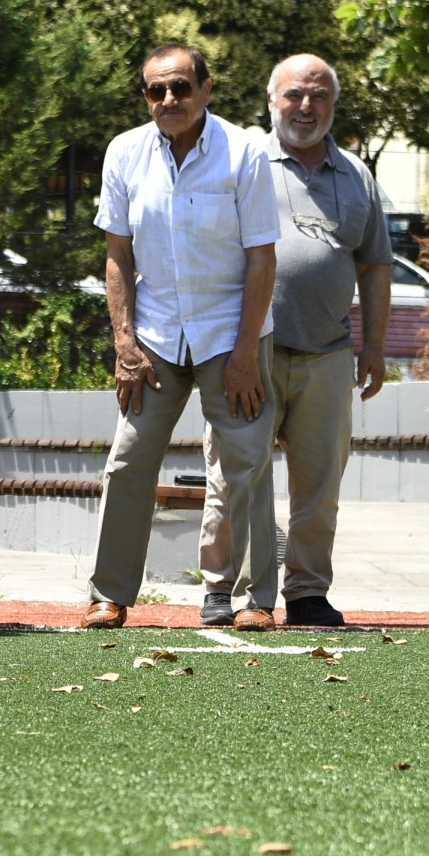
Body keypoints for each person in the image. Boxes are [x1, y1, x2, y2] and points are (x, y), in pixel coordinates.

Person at [84, 42, 280, 631]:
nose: (168, 99)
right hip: (154, 337)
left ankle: (250, 600)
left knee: (246, 462)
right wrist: (124, 343)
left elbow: (262, 259)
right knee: (127, 461)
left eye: (180, 88)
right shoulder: (124, 153)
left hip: (231, 333)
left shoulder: (245, 151)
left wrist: (246, 354)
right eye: (155, 90)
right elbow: (118, 255)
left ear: (206, 89)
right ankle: (110, 594)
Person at [220, 52, 395, 629]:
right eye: (294, 94)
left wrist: (374, 347)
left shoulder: (357, 176)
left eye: (319, 95)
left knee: (319, 487)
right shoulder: (243, 163)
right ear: (271, 101)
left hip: (328, 354)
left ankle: (307, 592)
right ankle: (241, 595)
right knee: (237, 477)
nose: (306, 106)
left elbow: (374, 266)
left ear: (333, 105)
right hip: (251, 352)